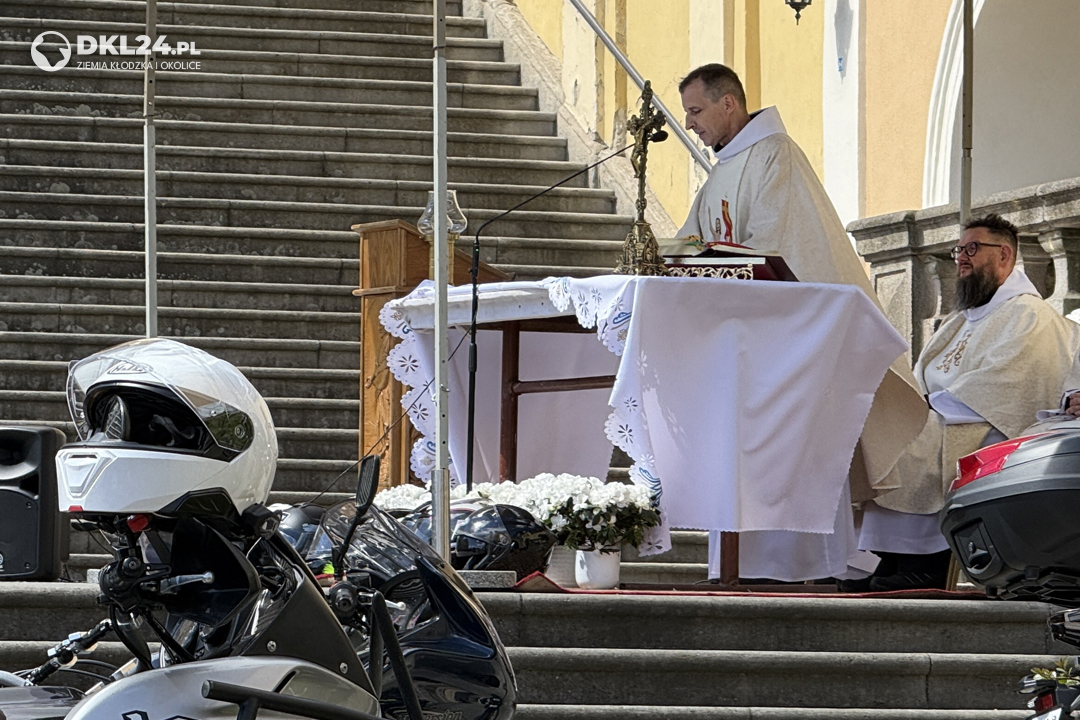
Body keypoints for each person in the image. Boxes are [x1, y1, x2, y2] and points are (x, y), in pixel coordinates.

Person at [676, 63, 928, 582]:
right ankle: (742, 567)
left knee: (794, 449)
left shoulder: (776, 155)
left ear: (729, 103)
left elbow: (777, 247)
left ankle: (808, 566)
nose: (690, 124)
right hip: (744, 342)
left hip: (787, 342)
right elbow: (690, 243)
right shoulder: (723, 170)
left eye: (696, 111)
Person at [851, 214, 1080, 591]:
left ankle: (924, 562)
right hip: (946, 414)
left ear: (1004, 255)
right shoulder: (961, 319)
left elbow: (1011, 384)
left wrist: (930, 410)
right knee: (880, 427)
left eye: (972, 248)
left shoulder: (1030, 314)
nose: (961, 257)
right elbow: (923, 374)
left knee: (909, 438)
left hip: (988, 424)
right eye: (959, 249)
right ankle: (890, 555)